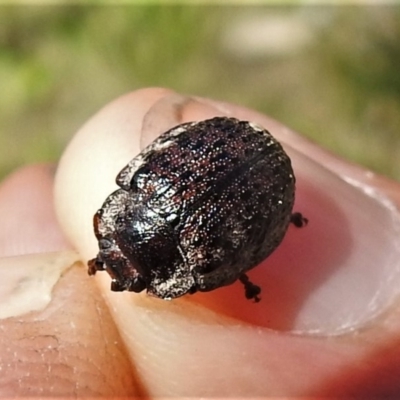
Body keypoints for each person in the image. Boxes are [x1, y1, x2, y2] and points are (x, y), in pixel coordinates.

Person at [1, 88, 400, 397]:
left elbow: (247, 255)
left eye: (108, 249)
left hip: (251, 161)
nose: (114, 267)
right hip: (238, 149)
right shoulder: (149, 189)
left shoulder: (203, 261)